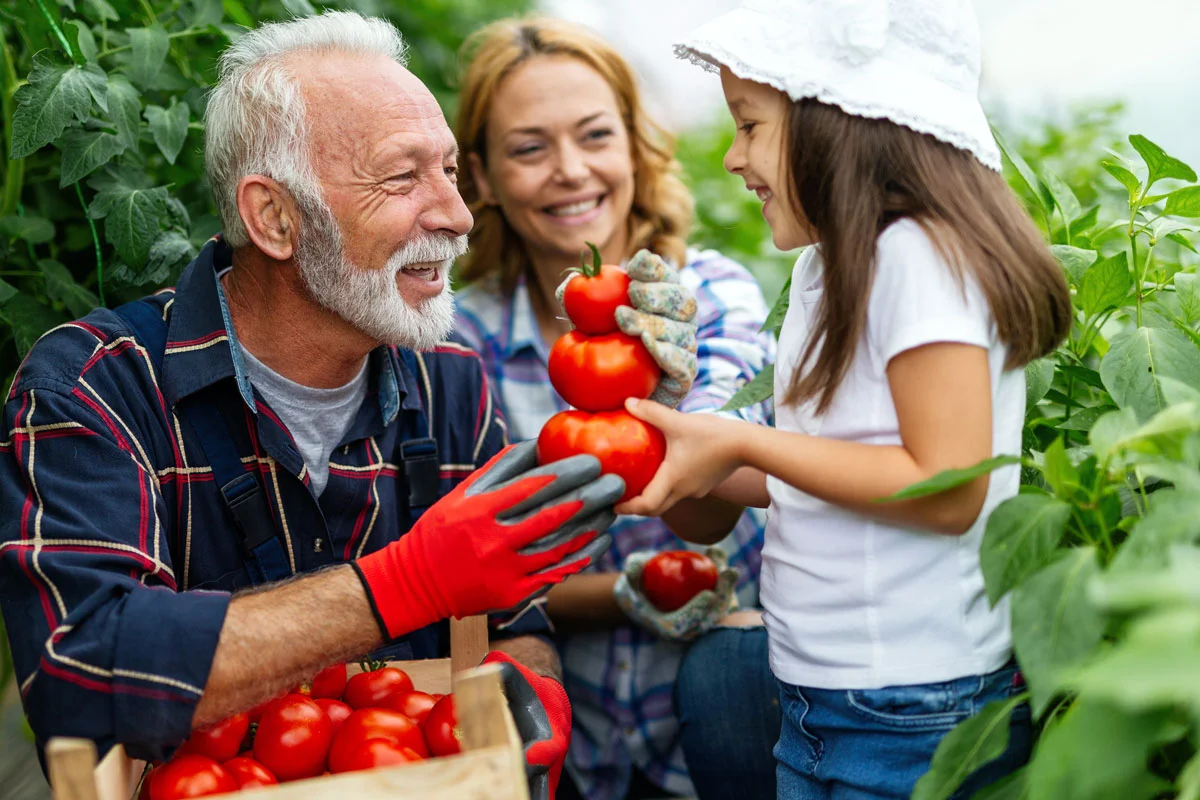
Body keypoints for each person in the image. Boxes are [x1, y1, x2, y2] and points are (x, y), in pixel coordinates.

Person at [0, 13, 670, 799]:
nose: (456, 215)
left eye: (452, 172)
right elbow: (81, 678)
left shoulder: (448, 380)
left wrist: (530, 692)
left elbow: (514, 623)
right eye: (401, 177)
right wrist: (402, 584)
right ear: (275, 218)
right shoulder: (94, 387)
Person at [615, 0, 1073, 798]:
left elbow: (949, 485)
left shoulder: (920, 256)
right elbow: (828, 472)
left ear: (843, 122)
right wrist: (688, 443)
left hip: (910, 708)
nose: (731, 157)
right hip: (826, 698)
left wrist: (747, 442)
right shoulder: (828, 270)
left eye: (750, 125)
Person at [451, 16, 781, 800]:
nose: (570, 171)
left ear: (635, 146)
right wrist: (625, 595)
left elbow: (714, 517)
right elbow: (462, 583)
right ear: (485, 177)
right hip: (570, 740)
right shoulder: (459, 343)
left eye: (595, 136)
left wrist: (672, 393)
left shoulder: (713, 296)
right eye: (529, 149)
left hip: (721, 724)